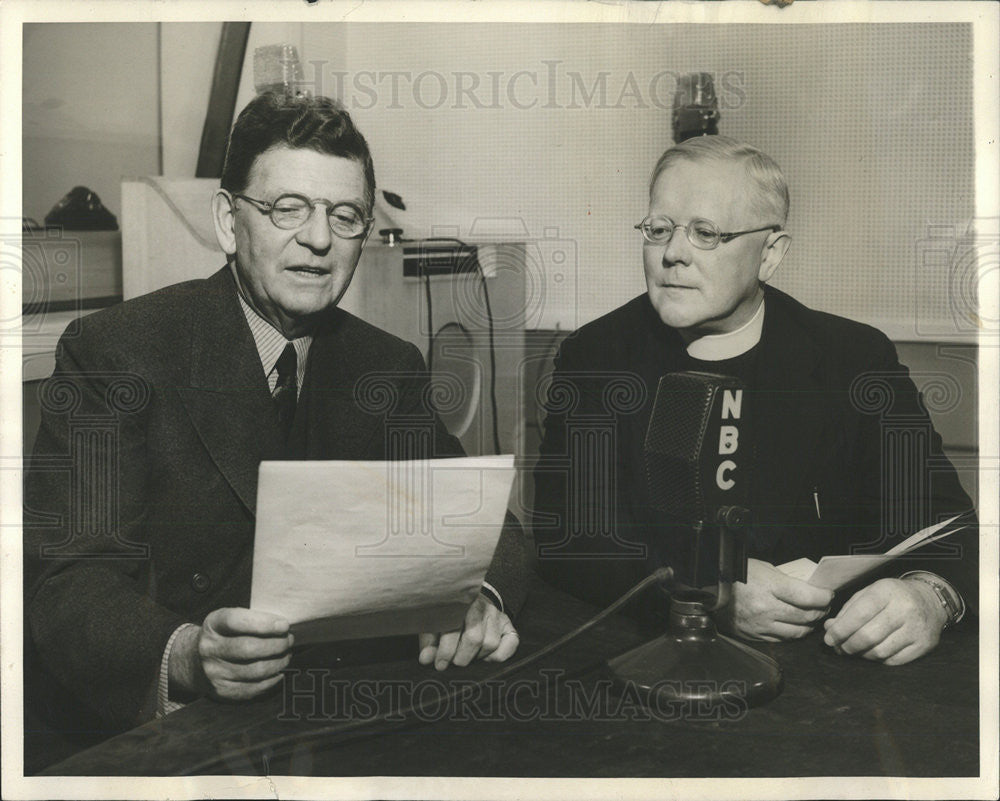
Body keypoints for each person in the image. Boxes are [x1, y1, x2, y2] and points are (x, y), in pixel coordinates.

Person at [24, 93, 525, 766]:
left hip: (337, 727)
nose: (318, 239)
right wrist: (188, 653)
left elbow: (490, 526)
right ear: (230, 222)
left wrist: (477, 596)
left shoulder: (386, 365)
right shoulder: (115, 352)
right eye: (287, 208)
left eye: (344, 216)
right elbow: (68, 587)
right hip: (176, 744)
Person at [533, 135, 976, 667]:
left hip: (830, 680)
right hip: (651, 668)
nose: (672, 253)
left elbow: (950, 526)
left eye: (705, 233)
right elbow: (568, 541)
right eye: (658, 229)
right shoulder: (597, 356)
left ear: (770, 254)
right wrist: (707, 590)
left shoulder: (853, 359)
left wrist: (931, 595)